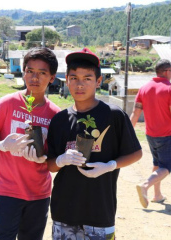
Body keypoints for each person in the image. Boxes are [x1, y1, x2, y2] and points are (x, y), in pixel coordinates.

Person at [47, 48, 142, 239]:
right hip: (64, 212)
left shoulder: (114, 115)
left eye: (87, 78)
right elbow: (50, 165)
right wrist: (61, 160)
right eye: (74, 78)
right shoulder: (59, 120)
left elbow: (136, 153)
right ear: (67, 80)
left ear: (98, 81)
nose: (79, 84)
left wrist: (110, 166)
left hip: (100, 213)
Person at [0, 47, 61, 240]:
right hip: (8, 191)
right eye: (30, 71)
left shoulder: (56, 114)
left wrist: (45, 158)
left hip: (39, 194)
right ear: (23, 72)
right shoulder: (7, 103)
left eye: (42, 73)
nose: (35, 78)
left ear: (52, 78)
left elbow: (54, 159)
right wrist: (2, 145)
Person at [130, 59, 171, 208]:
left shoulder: (144, 88)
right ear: (167, 72)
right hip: (167, 135)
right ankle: (145, 186)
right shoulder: (169, 89)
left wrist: (127, 133)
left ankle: (157, 195)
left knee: (157, 164)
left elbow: (135, 114)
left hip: (150, 134)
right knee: (166, 167)